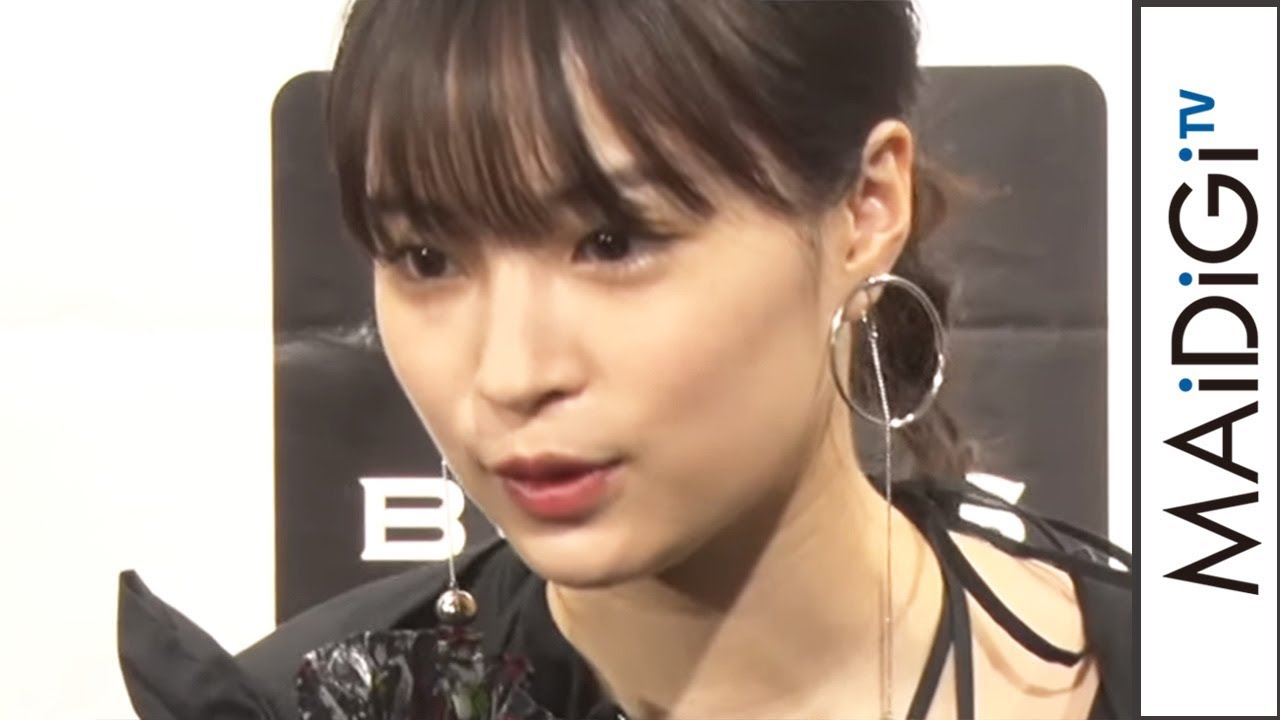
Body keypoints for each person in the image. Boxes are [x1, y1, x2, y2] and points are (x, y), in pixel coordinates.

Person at [117, 1, 1132, 718]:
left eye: (612, 242)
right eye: (426, 258)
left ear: (864, 208)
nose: (509, 373)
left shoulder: (1169, 673)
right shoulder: (305, 705)